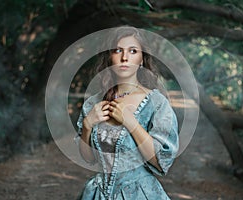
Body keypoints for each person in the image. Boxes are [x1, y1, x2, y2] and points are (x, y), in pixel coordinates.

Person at [76, 26, 179, 199]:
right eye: (118, 51)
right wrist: (87, 125)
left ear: (141, 59)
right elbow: (89, 159)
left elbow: (161, 163)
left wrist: (130, 122)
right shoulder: (94, 103)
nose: (125, 58)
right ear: (110, 57)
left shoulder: (156, 103)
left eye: (132, 51)